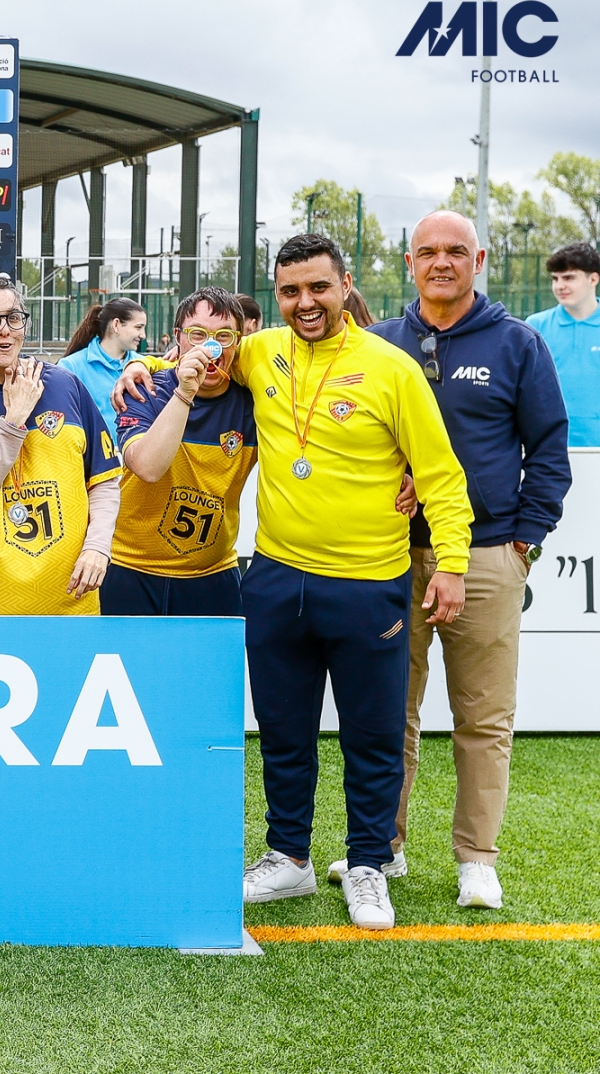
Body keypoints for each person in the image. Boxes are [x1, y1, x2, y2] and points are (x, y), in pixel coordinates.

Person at [207, 233, 471, 931]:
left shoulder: (391, 368)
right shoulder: (259, 351)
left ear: (345, 285)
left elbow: (441, 476)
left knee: (372, 736)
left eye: (318, 287)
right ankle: (288, 856)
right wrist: (139, 367)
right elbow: (200, 354)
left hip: (367, 583)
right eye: (290, 291)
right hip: (275, 577)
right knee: (283, 732)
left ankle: (368, 865)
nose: (305, 303)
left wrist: (451, 564)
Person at [358, 211, 570, 910]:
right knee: (388, 712)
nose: (441, 262)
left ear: (479, 260)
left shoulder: (517, 343)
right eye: (428, 252)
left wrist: (523, 540)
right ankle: (382, 847)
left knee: (483, 717)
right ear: (409, 262)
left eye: (456, 251)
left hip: (485, 556)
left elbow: (549, 449)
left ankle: (477, 858)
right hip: (389, 556)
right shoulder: (379, 343)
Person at [0, 279, 119, 615]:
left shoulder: (65, 385)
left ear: (25, 326)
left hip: (70, 596)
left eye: (13, 318)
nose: (4, 330)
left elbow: (104, 479)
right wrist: (13, 421)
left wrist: (97, 547)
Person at [103, 288, 257, 616]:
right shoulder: (144, 389)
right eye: (198, 334)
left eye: (224, 336)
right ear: (179, 338)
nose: (210, 347)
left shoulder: (252, 402)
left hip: (212, 574)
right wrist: (184, 392)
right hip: (131, 569)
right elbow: (147, 467)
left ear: (239, 342)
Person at [526, 241, 600, 447]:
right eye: (555, 278)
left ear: (593, 279)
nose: (559, 286)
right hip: (549, 449)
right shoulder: (534, 327)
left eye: (569, 278)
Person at [56, 297, 146, 443]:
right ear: (116, 325)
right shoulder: (70, 367)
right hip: (90, 456)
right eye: (138, 327)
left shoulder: (144, 366)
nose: (143, 335)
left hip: (136, 454)